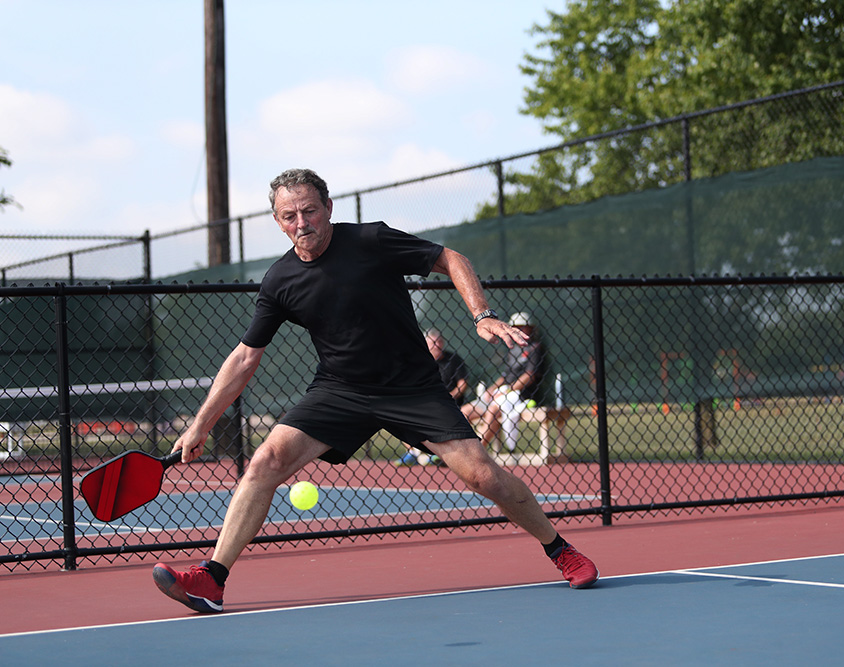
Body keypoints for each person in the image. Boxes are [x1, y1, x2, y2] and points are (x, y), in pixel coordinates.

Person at [152, 168, 599, 613]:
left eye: (309, 210)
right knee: (266, 460)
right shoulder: (280, 281)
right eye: (289, 215)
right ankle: (212, 579)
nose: (301, 222)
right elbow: (245, 357)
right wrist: (200, 424)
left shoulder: (371, 241)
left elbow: (450, 257)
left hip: (413, 387)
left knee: (482, 475)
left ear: (328, 208)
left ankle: (560, 549)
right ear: (277, 221)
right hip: (340, 390)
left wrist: (481, 314)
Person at [462, 312, 548, 453]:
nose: (519, 330)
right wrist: (493, 388)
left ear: (530, 329)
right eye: (516, 327)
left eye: (523, 327)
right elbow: (505, 376)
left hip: (522, 395)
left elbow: (529, 376)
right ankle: (462, 450)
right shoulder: (512, 349)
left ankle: (476, 452)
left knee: (493, 410)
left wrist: (507, 390)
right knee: (465, 412)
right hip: (503, 393)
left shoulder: (535, 348)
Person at [395, 328, 469, 466]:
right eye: (433, 343)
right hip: (427, 401)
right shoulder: (419, 361)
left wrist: (450, 396)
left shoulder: (453, 359)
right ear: (426, 344)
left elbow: (463, 384)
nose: (437, 345)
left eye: (439, 342)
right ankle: (413, 453)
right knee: (403, 417)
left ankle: (436, 453)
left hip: (451, 402)